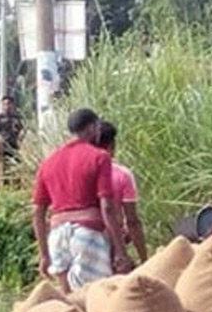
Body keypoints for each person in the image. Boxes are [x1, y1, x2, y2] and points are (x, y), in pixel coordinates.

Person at [31, 108, 131, 293]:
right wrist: (120, 250)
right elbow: (107, 207)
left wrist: (44, 254)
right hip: (87, 235)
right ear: (93, 127)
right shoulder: (99, 157)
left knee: (69, 298)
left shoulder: (48, 162)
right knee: (94, 296)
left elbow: (37, 213)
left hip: (57, 236)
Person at [97, 121, 148, 265]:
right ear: (112, 146)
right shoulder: (122, 175)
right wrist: (144, 260)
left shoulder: (81, 173)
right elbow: (132, 221)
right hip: (111, 241)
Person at [0, 96, 24, 175]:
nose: (7, 106)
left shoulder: (17, 117)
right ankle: (5, 185)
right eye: (5, 104)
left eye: (9, 104)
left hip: (14, 145)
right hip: (3, 146)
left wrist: (21, 137)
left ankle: (16, 185)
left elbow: (24, 128)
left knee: (16, 167)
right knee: (4, 168)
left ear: (12, 105)